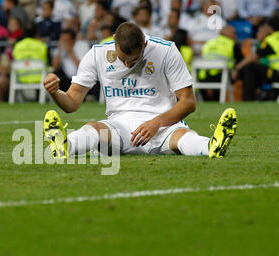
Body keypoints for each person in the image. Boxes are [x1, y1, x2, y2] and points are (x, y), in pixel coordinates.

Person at [42, 22, 238, 160]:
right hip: (120, 126)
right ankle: (65, 146)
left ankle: (212, 147)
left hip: (163, 126)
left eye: (134, 60)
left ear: (144, 44)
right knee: (94, 128)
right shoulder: (97, 54)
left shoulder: (167, 51)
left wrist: (156, 123)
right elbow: (72, 103)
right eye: (123, 59)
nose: (127, 64)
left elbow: (188, 102)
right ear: (113, 40)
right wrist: (55, 92)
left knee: (184, 137)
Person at [233, 18, 279, 101]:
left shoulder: (271, 40)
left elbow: (253, 57)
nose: (257, 33)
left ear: (269, 29)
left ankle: (248, 100)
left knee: (250, 67)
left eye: (260, 30)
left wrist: (237, 68)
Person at [198, 25, 243, 101]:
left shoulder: (210, 42)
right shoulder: (232, 44)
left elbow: (201, 54)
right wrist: (236, 70)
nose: (236, 36)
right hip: (222, 75)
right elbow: (240, 60)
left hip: (203, 75)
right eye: (234, 33)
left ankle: (207, 102)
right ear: (228, 34)